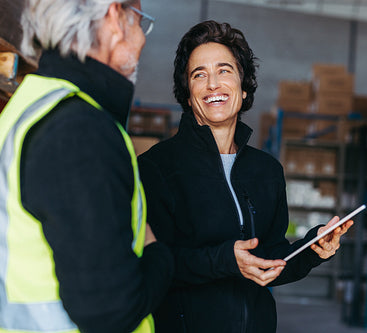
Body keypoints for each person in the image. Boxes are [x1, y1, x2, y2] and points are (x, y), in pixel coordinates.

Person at [137, 20, 353, 333]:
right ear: (187, 94)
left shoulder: (266, 171)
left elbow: (271, 259)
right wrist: (225, 260)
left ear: (244, 86)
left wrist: (311, 250)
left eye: (224, 70)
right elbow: (155, 264)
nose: (213, 84)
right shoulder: (157, 167)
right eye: (199, 74)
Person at [0, 0, 174, 332]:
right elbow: (110, 311)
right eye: (140, 23)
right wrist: (159, 255)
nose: (143, 40)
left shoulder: (34, 104)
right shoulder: (80, 130)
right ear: (115, 17)